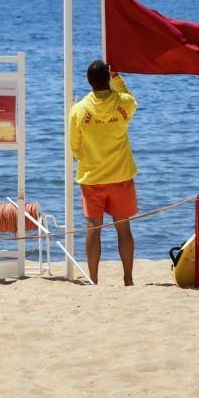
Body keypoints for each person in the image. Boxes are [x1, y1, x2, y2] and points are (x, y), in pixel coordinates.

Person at [69, 59, 139, 285]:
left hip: (92, 177)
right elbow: (132, 100)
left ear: (89, 82)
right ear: (107, 79)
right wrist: (118, 79)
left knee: (93, 229)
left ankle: (94, 279)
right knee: (123, 227)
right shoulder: (123, 103)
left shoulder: (78, 110)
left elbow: (74, 146)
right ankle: (128, 279)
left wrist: (88, 158)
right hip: (120, 175)